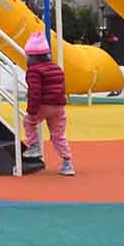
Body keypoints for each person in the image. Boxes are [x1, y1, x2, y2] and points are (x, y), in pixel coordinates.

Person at [20, 31, 75, 176]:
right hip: (58, 106)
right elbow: (59, 87)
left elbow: (35, 92)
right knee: (58, 135)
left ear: (32, 56)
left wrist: (31, 109)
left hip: (43, 105)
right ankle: (67, 162)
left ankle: (34, 146)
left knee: (29, 121)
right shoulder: (56, 68)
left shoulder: (34, 71)